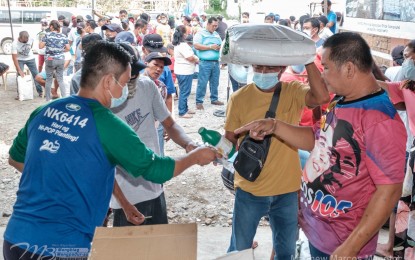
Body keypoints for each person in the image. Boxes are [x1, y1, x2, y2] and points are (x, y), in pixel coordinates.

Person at [3, 41, 217, 260]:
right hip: (61, 247)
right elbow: (155, 170)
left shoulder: (45, 110)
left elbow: (15, 159)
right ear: (108, 81)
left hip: (15, 239)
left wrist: (56, 181)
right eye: (124, 82)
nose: (125, 89)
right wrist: (194, 156)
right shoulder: (107, 124)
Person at [234, 32, 406, 259]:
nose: (321, 75)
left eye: (324, 67)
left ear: (349, 69)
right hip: (320, 232)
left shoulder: (379, 120)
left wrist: (350, 247)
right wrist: (274, 126)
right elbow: (320, 140)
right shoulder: (342, 101)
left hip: (342, 243)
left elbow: (390, 190)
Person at [223, 37, 330, 259]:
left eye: (269, 67)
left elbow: (321, 96)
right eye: (258, 67)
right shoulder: (239, 98)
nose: (262, 72)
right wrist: (218, 150)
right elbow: (230, 140)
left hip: (287, 190)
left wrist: (308, 58)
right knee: (239, 249)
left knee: (285, 251)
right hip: (251, 188)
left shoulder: (292, 91)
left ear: (281, 69)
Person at [110, 44, 198, 226]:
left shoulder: (147, 86)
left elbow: (170, 123)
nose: (132, 82)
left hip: (154, 187)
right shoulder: (102, 107)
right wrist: (124, 203)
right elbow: (103, 165)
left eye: (134, 76)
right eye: (127, 79)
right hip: (124, 196)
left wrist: (188, 144)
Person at [378, 39, 415, 259]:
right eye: (407, 57)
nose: (408, 62)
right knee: (407, 210)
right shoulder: (408, 87)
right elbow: (377, 85)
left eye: (411, 57)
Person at [194, 17, 223, 110]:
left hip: (215, 62)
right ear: (208, 24)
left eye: (216, 26)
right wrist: (210, 47)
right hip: (205, 62)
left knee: (215, 82)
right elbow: (196, 45)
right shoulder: (200, 34)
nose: (214, 28)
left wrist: (219, 47)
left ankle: (214, 99)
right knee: (202, 82)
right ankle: (199, 101)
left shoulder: (216, 34)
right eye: (213, 26)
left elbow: (220, 44)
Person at [39, 20, 70, 101]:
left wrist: (41, 40)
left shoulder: (47, 35)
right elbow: (68, 48)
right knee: (60, 79)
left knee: (49, 79)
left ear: (51, 26)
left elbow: (40, 46)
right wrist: (60, 51)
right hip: (60, 59)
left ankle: (48, 99)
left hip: (50, 59)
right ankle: (64, 98)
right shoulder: (63, 36)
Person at [172, 25, 199, 118]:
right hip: (185, 71)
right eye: (187, 33)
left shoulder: (178, 44)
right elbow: (189, 57)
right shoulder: (182, 45)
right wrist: (196, 59)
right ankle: (182, 112)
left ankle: (185, 108)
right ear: (183, 34)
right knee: (184, 92)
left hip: (183, 70)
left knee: (184, 91)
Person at [11, 31, 43, 97]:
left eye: (27, 40)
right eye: (24, 41)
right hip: (20, 60)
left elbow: (31, 45)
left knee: (36, 75)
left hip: (30, 58)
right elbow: (14, 58)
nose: (26, 41)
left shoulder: (31, 39)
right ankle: (20, 94)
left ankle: (40, 91)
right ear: (20, 38)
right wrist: (19, 70)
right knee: (19, 76)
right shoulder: (14, 44)